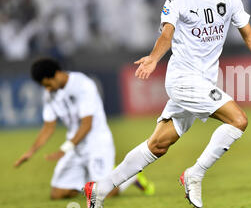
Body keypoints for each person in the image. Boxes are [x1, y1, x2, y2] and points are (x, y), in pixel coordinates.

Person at [83, 0, 251, 208]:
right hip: (183, 80)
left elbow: (248, 34)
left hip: (204, 80)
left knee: (159, 145)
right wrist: (153, 58)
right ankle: (195, 174)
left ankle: (99, 188)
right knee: (238, 120)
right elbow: (167, 34)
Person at [14, 57, 155, 199]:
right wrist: (31, 151)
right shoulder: (50, 94)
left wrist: (65, 149)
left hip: (97, 143)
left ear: (56, 74)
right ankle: (94, 183)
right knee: (58, 194)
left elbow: (87, 125)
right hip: (75, 146)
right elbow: (48, 126)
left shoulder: (82, 85)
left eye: (48, 84)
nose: (47, 89)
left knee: (102, 194)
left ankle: (131, 177)